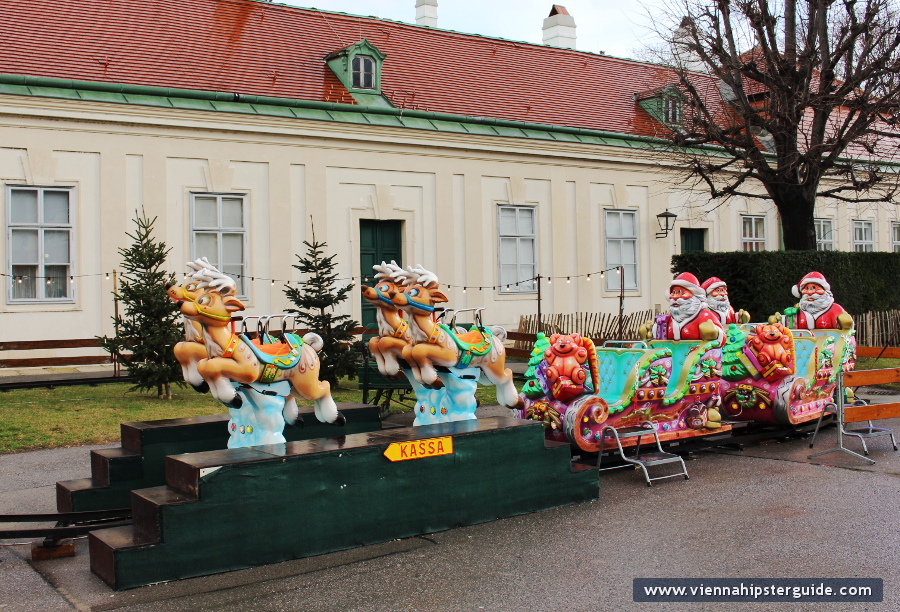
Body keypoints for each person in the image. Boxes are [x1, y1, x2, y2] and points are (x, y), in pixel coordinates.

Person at [662, 272, 725, 343]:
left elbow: (722, 336)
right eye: (673, 293)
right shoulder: (668, 319)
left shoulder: (704, 315)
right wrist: (654, 331)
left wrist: (714, 333)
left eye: (680, 292)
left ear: (695, 295)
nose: (675, 297)